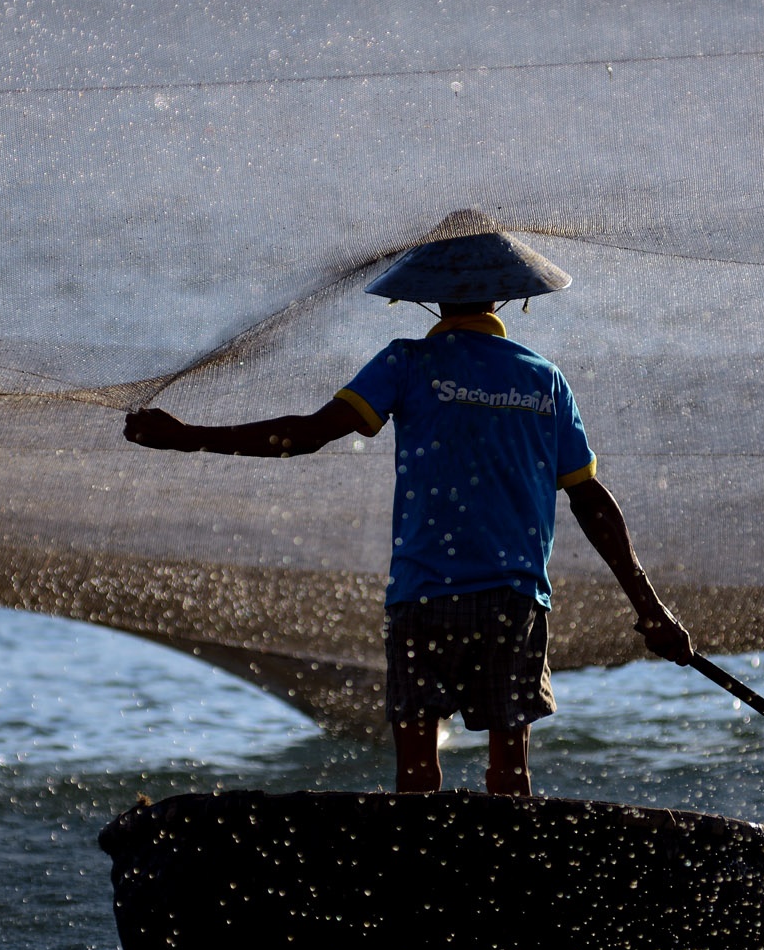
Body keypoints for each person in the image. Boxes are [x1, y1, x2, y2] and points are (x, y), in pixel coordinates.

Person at [123, 214, 690, 796]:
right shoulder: (545, 382)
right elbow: (590, 500)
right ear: (507, 295)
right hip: (513, 601)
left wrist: (189, 435)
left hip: (424, 597)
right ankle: (505, 881)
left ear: (430, 298)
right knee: (511, 779)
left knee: (416, 779)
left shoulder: (406, 363)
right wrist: (651, 610)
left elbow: (308, 434)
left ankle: (418, 877)